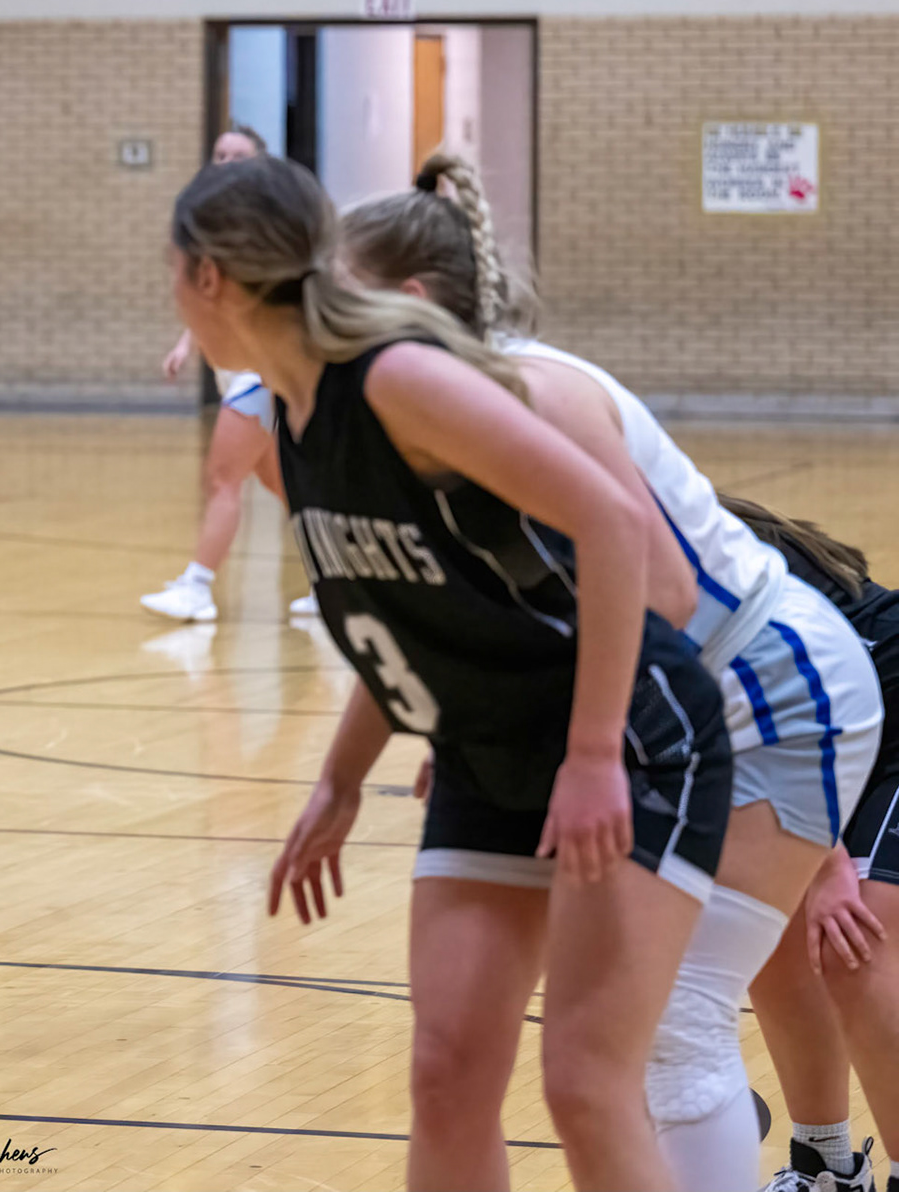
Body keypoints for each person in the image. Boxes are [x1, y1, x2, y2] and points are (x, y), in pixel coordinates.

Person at [340, 152, 883, 1192]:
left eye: (335, 289)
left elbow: (664, 593)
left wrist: (565, 736)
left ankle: (799, 1157)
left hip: (767, 681)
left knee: (669, 1024)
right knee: (611, 1049)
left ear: (408, 301)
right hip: (672, 695)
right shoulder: (407, 415)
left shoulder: (529, 391)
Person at [204, 153, 732, 1191]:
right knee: (446, 1074)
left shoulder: (464, 392)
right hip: (492, 746)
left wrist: (591, 750)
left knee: (590, 1081)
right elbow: (404, 621)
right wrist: (341, 778)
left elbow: (658, 576)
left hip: (651, 724)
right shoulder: (308, 410)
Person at [716, 497, 899, 1192]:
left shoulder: (655, 546)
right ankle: (826, 1168)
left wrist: (825, 865)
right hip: (809, 729)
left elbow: (780, 707)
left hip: (870, 709)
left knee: (860, 939)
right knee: (772, 929)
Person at [140, 125, 313, 623]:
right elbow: (211, 301)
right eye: (220, 154)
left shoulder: (265, 229)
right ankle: (337, 583)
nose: (227, 162)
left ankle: (197, 587)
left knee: (221, 479)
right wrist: (185, 344)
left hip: (258, 376)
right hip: (237, 373)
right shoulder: (210, 225)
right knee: (287, 489)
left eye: (239, 155)